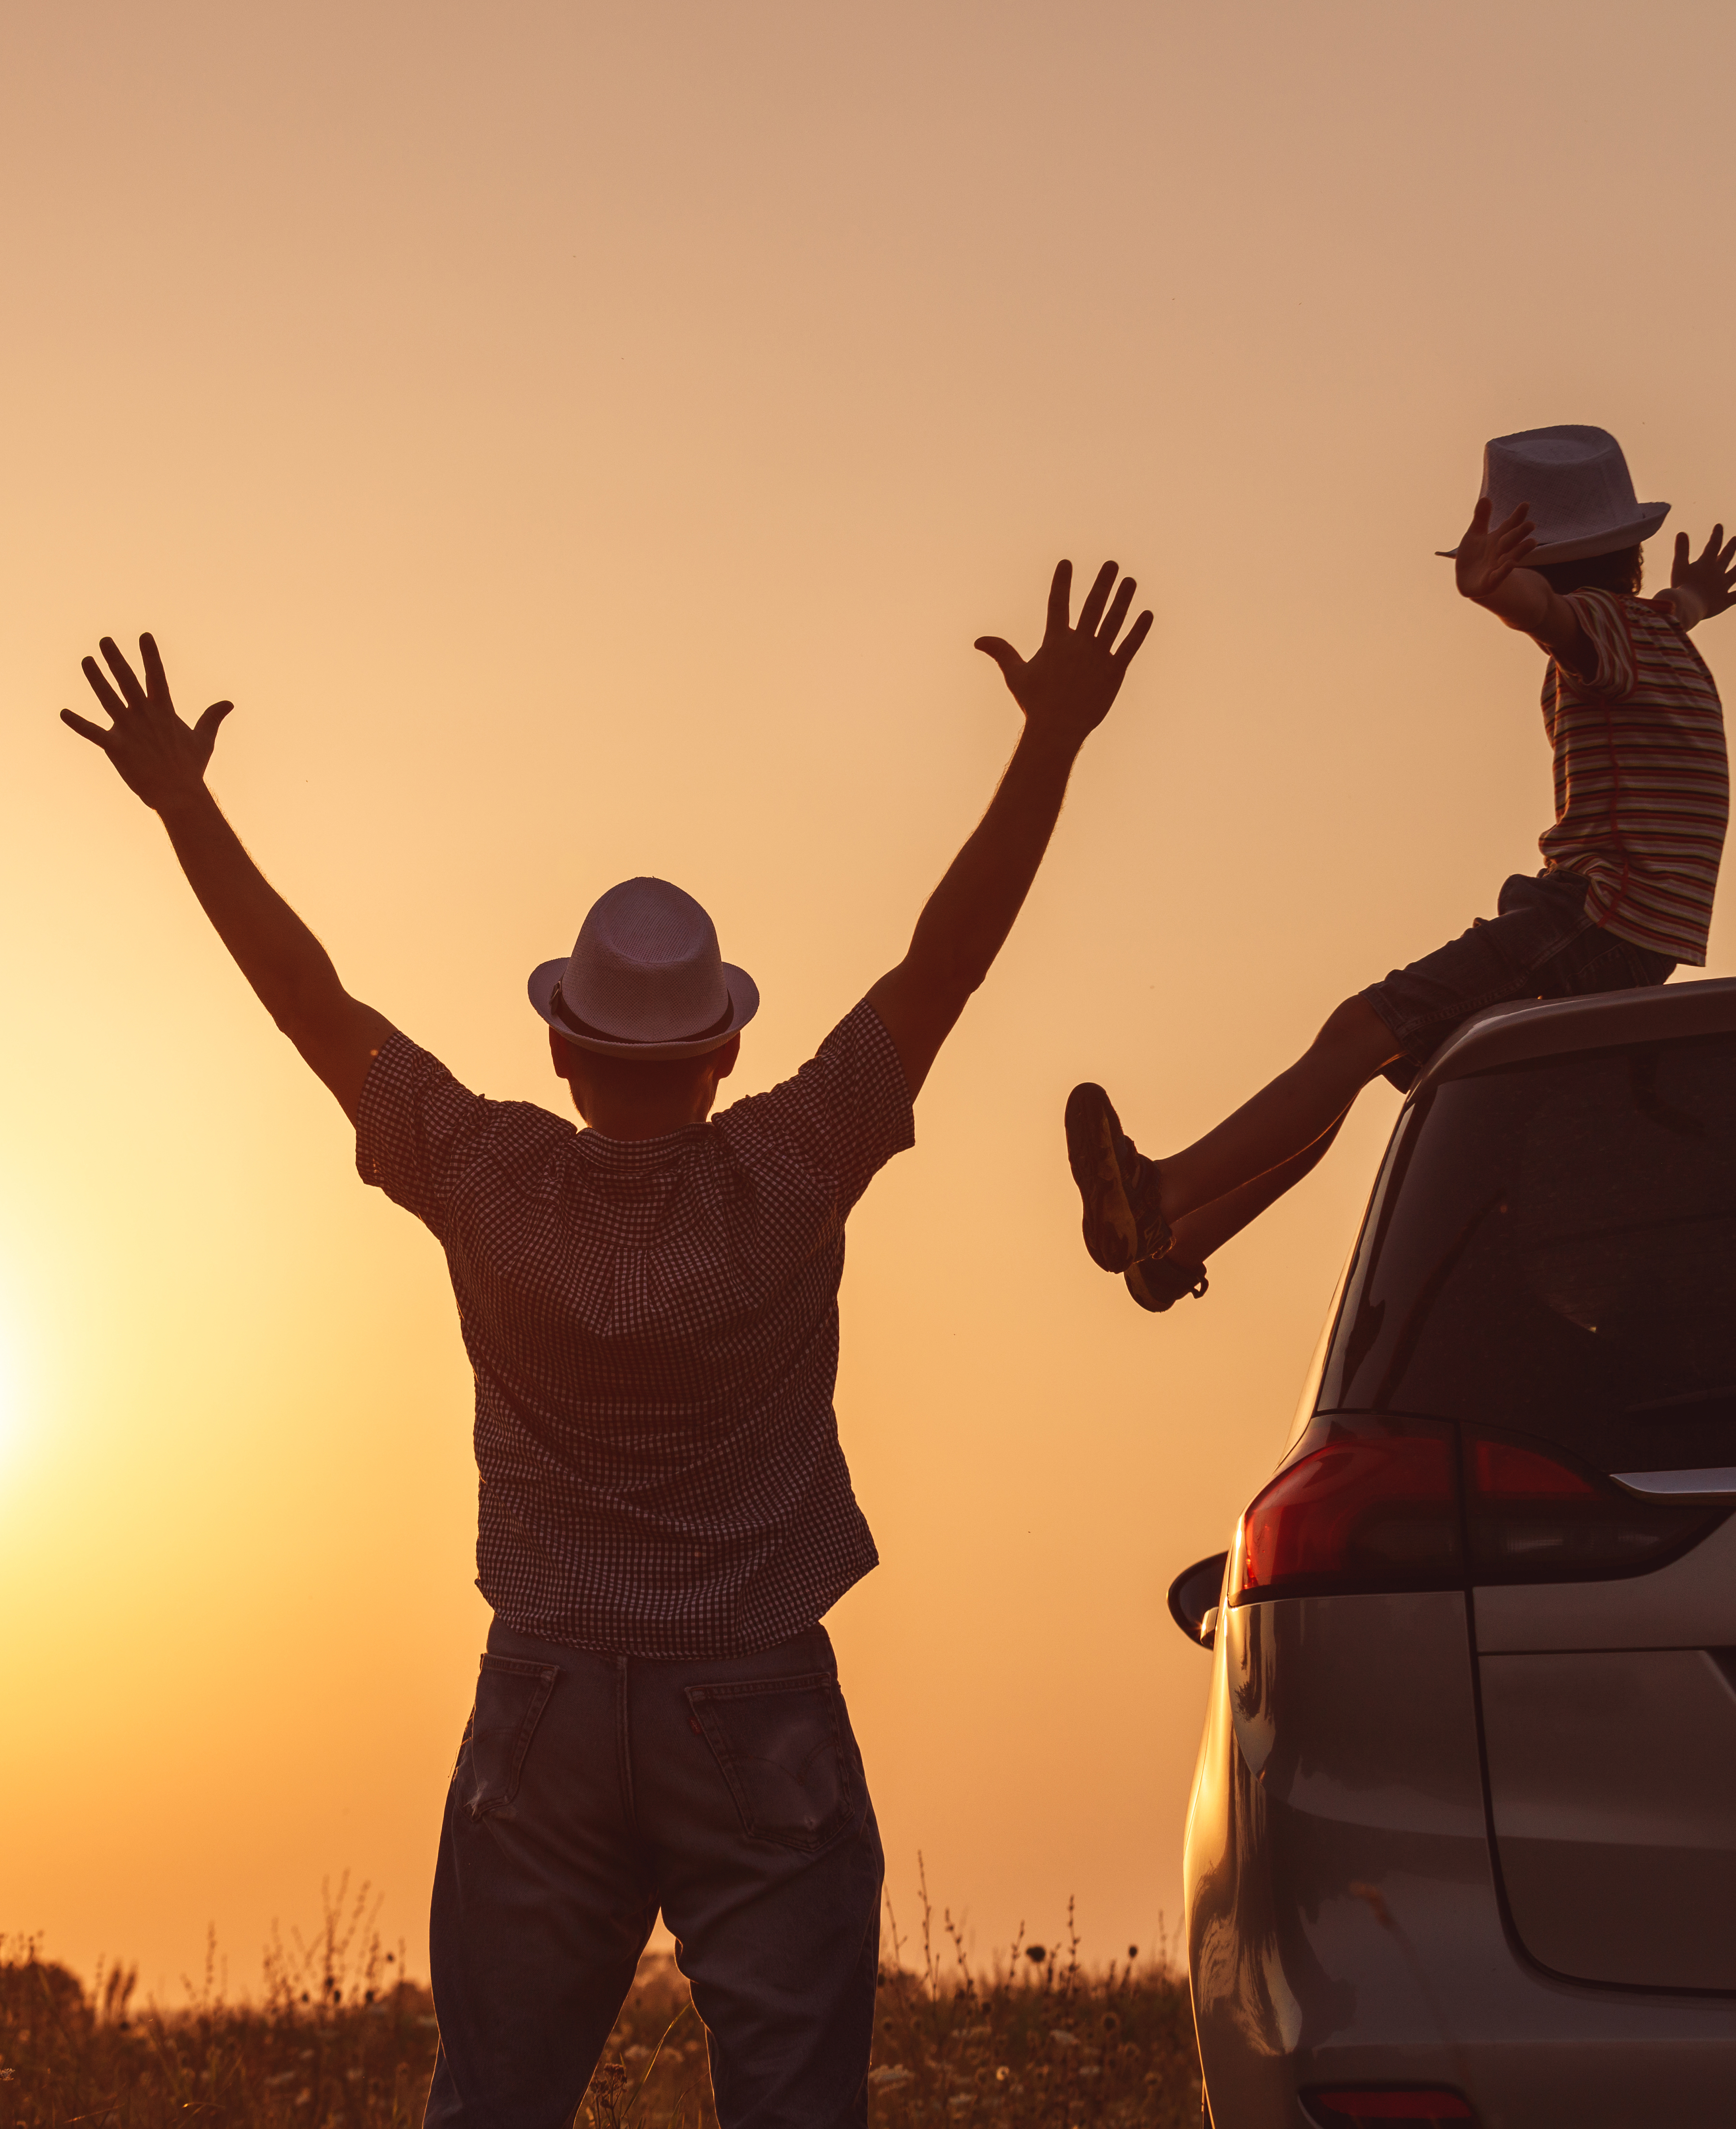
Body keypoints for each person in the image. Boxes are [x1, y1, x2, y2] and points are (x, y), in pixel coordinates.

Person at [58, 560, 1153, 2129]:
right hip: (757, 1699)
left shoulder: (482, 1172)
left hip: (547, 1705)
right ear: (724, 1050)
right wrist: (1051, 739)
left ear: (560, 1046)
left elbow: (308, 1000)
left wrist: (182, 805)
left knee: (493, 2103)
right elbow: (945, 962)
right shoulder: (792, 1161)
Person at [1063, 425, 1736, 1311]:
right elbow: (1649, 617)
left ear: (1543, 566)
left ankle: (1159, 1197)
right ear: (1631, 556)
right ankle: (1176, 1252)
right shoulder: (1657, 636)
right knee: (1367, 1059)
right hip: (1630, 932)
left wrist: (1492, 590)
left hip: (1596, 913)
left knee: (1357, 1030)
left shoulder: (1596, 630)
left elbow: (1553, 619)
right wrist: (1690, 598)